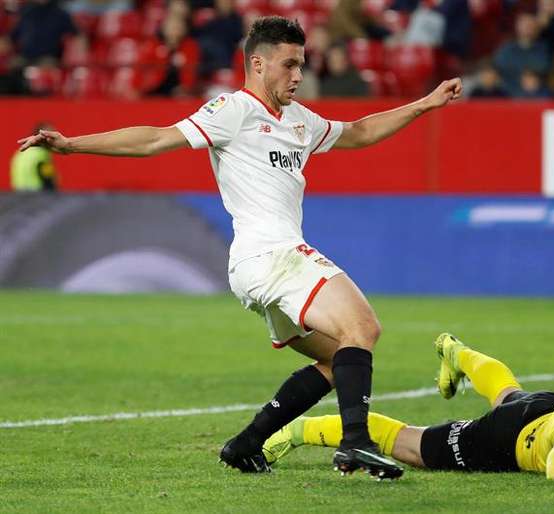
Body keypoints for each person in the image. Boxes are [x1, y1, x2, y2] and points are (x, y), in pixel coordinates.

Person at [16, 16, 462, 480]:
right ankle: (355, 444)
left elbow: (361, 132)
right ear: (258, 64)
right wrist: (71, 145)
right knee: (363, 326)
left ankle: (246, 444)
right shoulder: (233, 110)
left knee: (338, 359)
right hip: (272, 256)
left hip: (261, 268)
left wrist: (426, 104)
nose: (298, 76)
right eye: (289, 65)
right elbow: (154, 138)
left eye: (301, 65)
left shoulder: (300, 120)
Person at [261, 335, 554, 479]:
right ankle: (305, 428)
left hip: (545, 408)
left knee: (512, 392)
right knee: (416, 445)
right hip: (510, 440)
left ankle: (457, 353)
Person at [11, 122, 59, 191]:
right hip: (36, 194)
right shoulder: (41, 154)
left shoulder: (20, 152)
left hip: (19, 194)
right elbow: (48, 178)